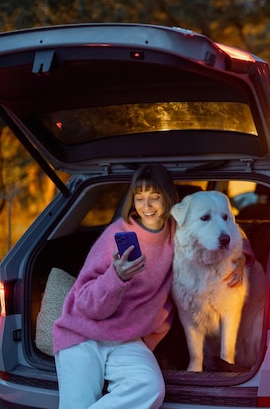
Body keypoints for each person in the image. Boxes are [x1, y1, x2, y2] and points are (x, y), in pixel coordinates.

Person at [53, 164, 249, 408]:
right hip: (84, 334)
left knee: (150, 388)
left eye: (154, 198)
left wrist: (241, 258)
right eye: (139, 198)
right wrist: (116, 278)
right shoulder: (115, 236)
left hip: (128, 338)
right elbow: (87, 307)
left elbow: (228, 231)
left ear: (168, 199)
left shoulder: (179, 231)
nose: (146, 207)